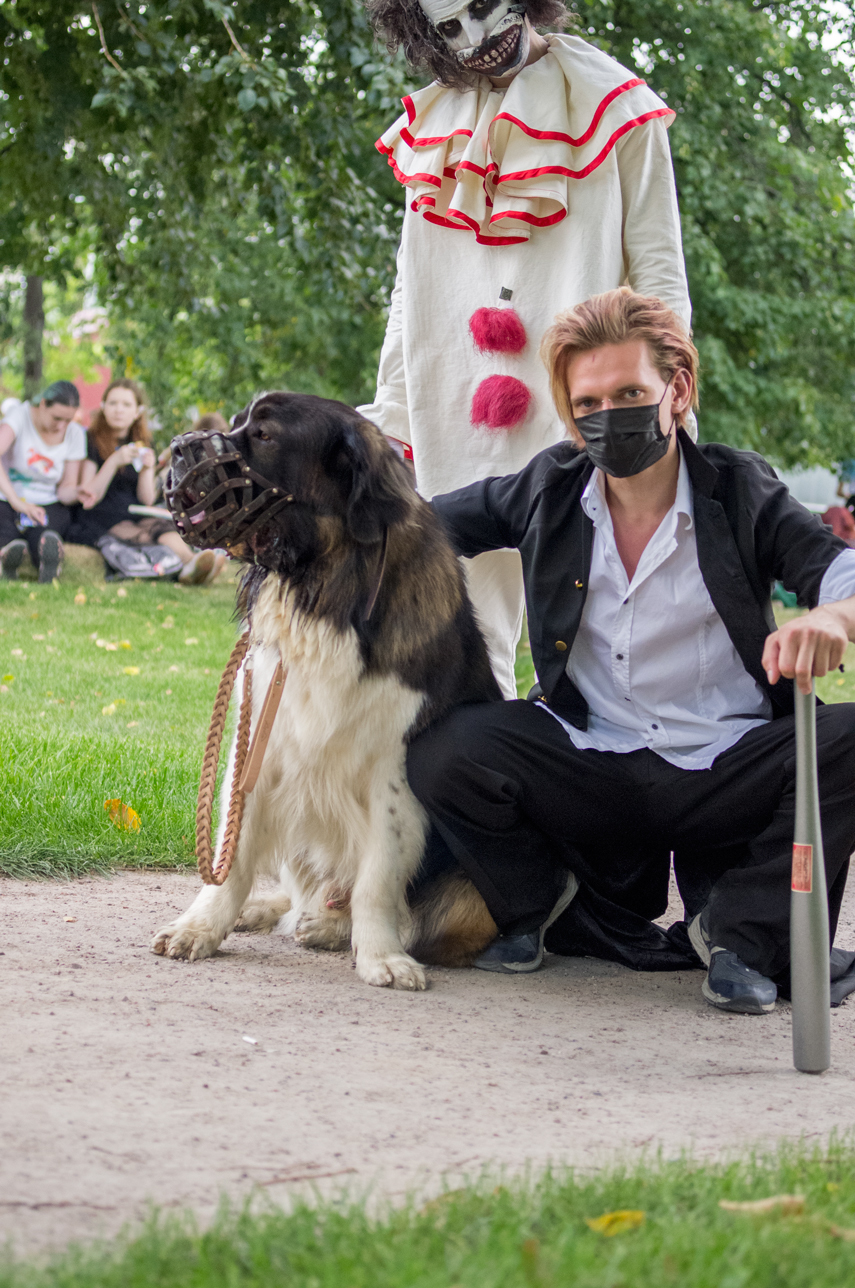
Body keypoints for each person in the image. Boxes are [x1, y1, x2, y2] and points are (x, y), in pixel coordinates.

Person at [407, 288, 855, 1015]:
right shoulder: (545, 491)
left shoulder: (740, 488)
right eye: (587, 404)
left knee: (846, 739)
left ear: (675, 390)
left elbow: (840, 571)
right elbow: (414, 528)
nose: (606, 417)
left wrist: (832, 617)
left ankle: (738, 934)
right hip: (590, 763)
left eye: (628, 393)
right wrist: (300, 527)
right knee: (448, 748)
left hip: (725, 766)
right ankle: (540, 903)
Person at [359, 0, 691, 696]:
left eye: (481, 7)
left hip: (577, 402)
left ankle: (590, 786)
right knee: (461, 637)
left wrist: (673, 393)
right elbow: (406, 287)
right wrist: (392, 406)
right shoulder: (431, 125)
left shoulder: (615, 105)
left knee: (591, 635)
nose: (474, 37)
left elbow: (658, 272)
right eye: (448, 26)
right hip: (449, 399)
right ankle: (479, 788)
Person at [70, 378, 225, 585]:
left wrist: (146, 469)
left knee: (162, 525)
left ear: (137, 412)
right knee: (142, 532)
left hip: (134, 509)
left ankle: (192, 563)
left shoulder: (143, 442)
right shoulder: (90, 439)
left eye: (126, 405)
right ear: (103, 407)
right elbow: (89, 494)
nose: (119, 410)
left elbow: (147, 498)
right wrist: (113, 461)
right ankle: (189, 567)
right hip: (100, 512)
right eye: (113, 403)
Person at [0, 380, 86, 582]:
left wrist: (78, 492)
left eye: (68, 420)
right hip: (8, 496)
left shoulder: (75, 434)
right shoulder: (19, 416)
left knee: (47, 527)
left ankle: (46, 556)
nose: (62, 426)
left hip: (47, 502)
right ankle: (9, 551)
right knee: (5, 522)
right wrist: (17, 502)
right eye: (57, 418)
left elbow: (66, 489)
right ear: (43, 404)